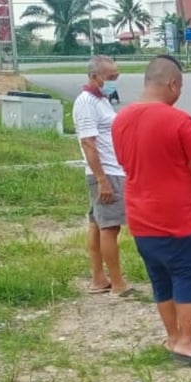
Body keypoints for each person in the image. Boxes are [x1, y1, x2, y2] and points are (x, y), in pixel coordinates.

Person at [113, 55, 191, 369]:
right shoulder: (178, 120)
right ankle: (187, 341)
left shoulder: (120, 120)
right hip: (177, 218)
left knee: (160, 277)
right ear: (173, 84)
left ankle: (172, 336)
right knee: (189, 272)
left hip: (140, 216)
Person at [74, 55, 133, 297]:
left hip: (111, 169)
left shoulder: (102, 100)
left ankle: (99, 278)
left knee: (97, 224)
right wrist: (102, 179)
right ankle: (118, 283)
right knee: (110, 227)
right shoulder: (86, 102)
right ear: (95, 76)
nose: (114, 80)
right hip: (105, 171)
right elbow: (88, 142)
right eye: (111, 77)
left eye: (116, 76)